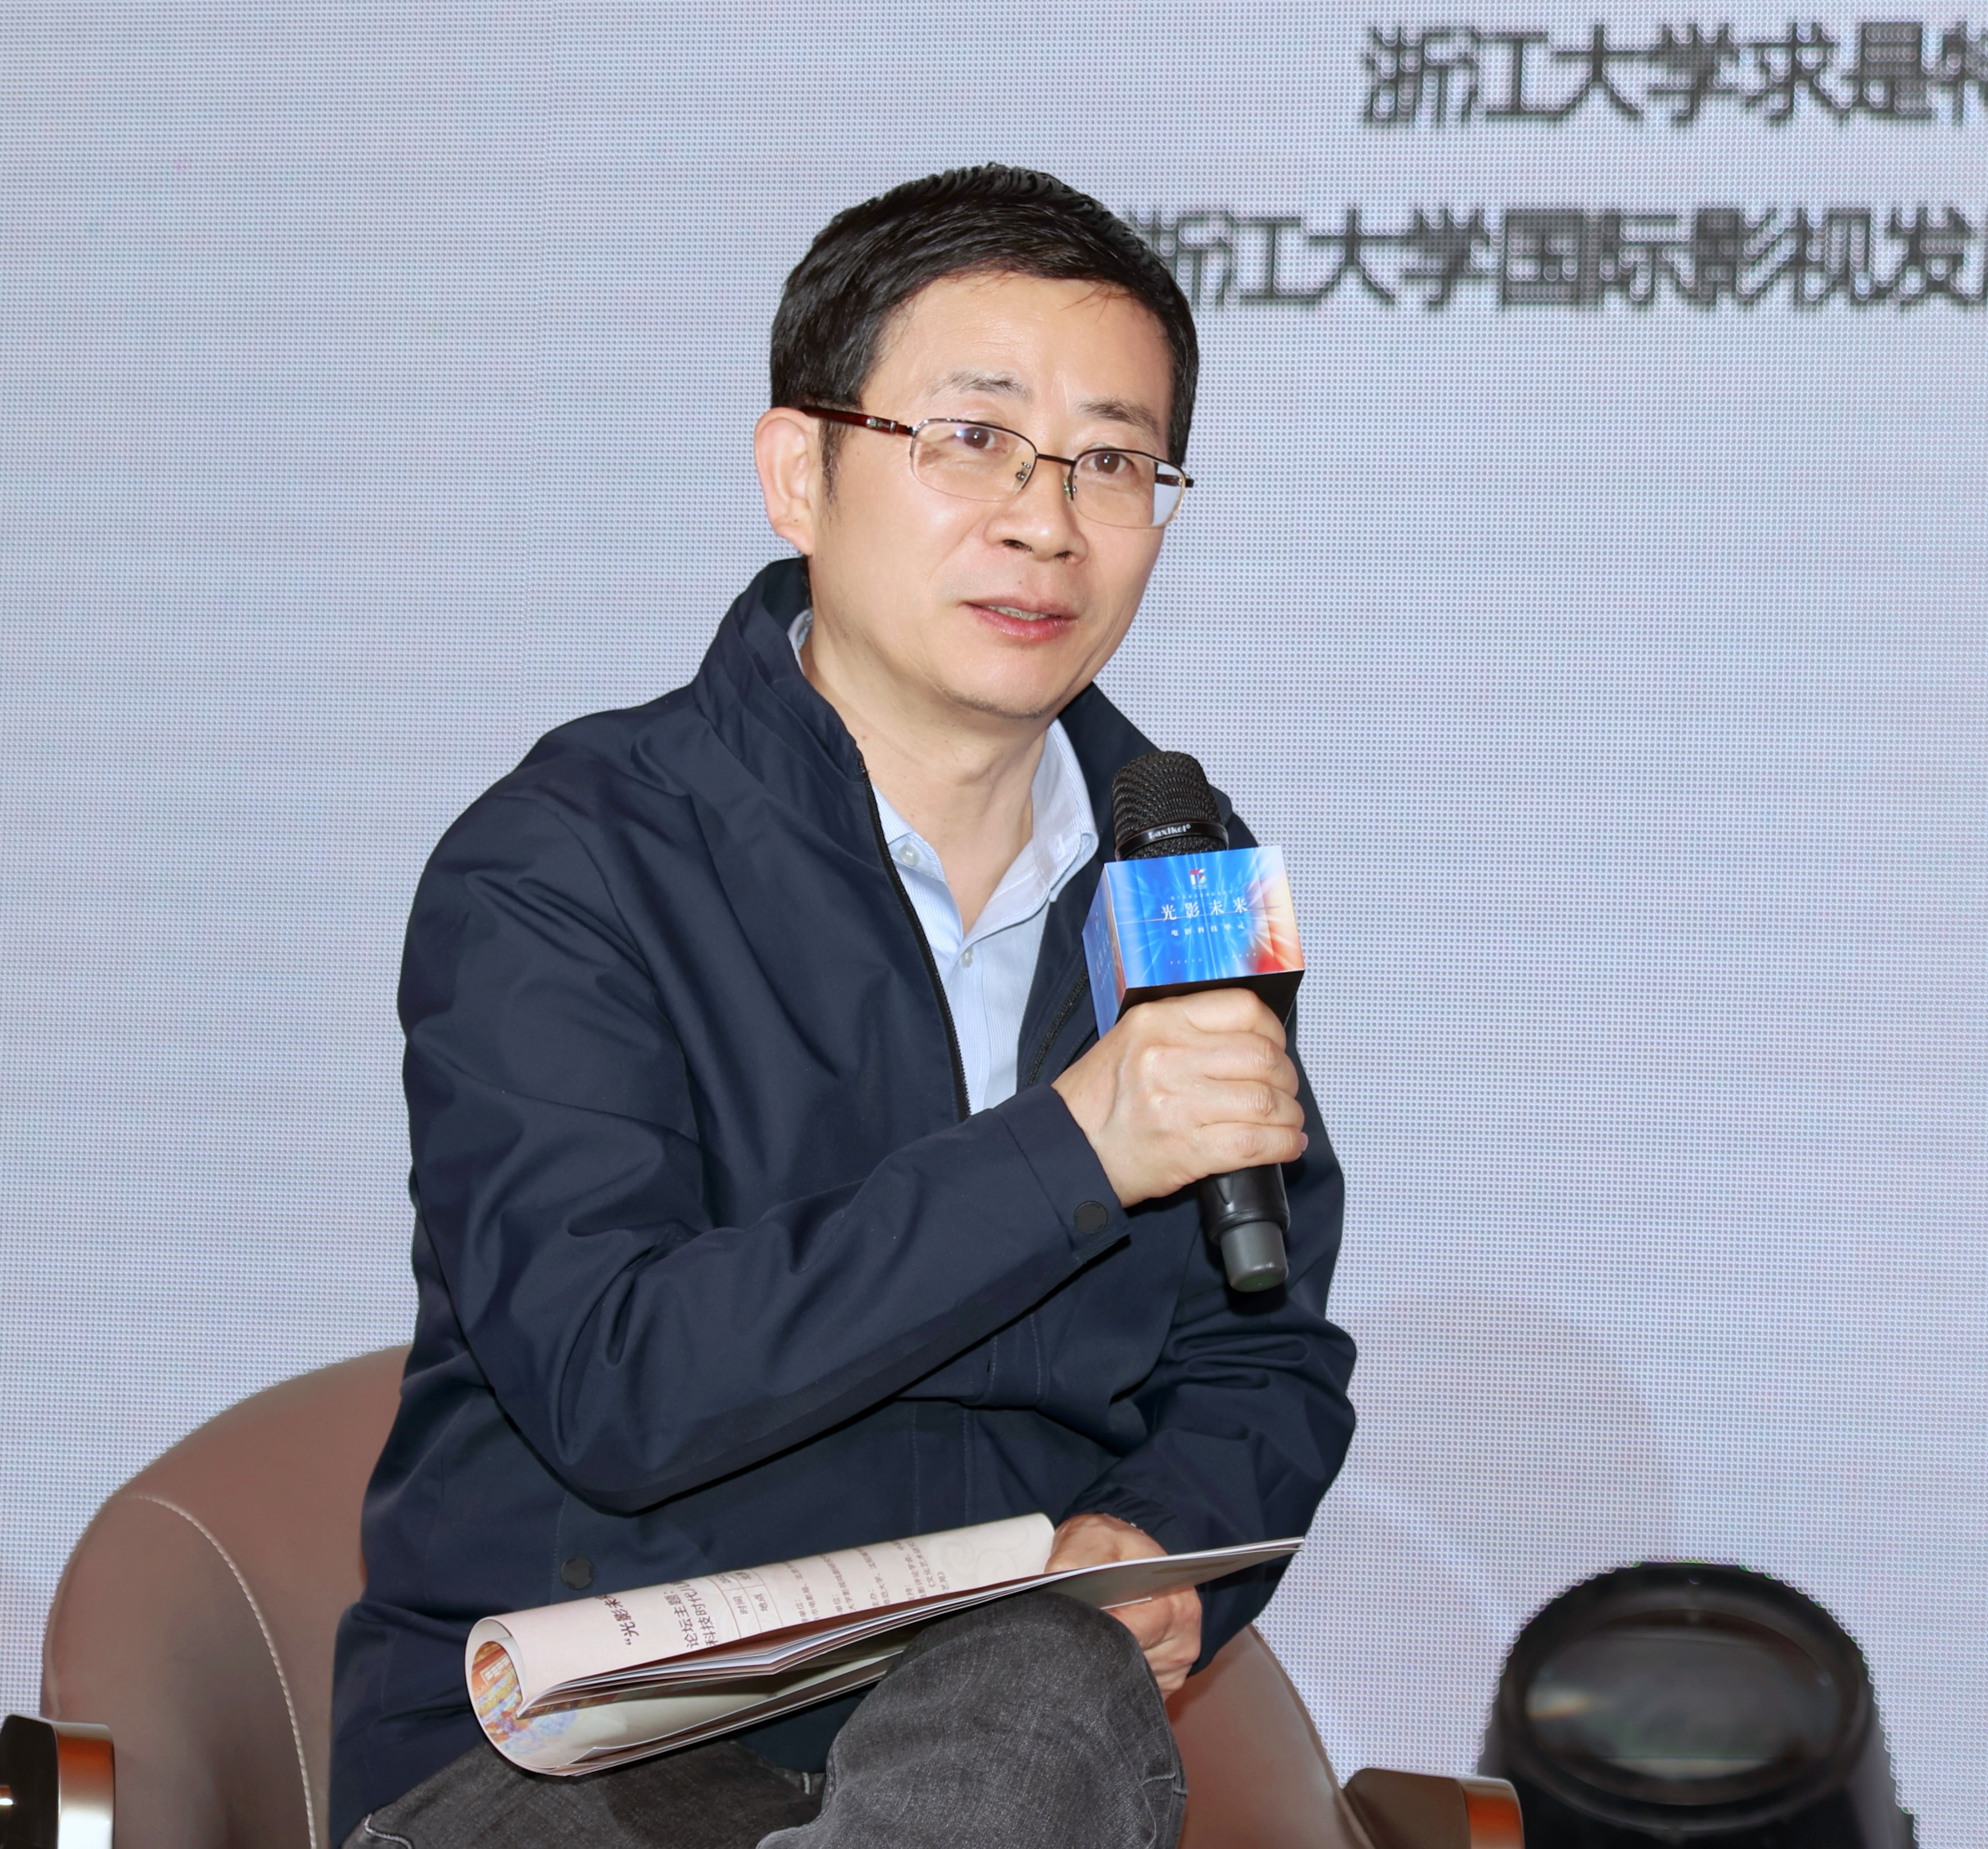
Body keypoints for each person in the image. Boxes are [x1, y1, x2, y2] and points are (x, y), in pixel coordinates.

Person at [330, 163, 1356, 1849]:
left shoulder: (1182, 866)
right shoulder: (567, 860)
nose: (1046, 521)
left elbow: (1263, 1343)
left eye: (1112, 461)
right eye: (973, 438)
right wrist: (1074, 1148)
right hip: (584, 1746)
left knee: (1033, 1701)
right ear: (797, 472)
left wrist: (1159, 1534)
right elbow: (613, 1378)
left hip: (982, 1746)